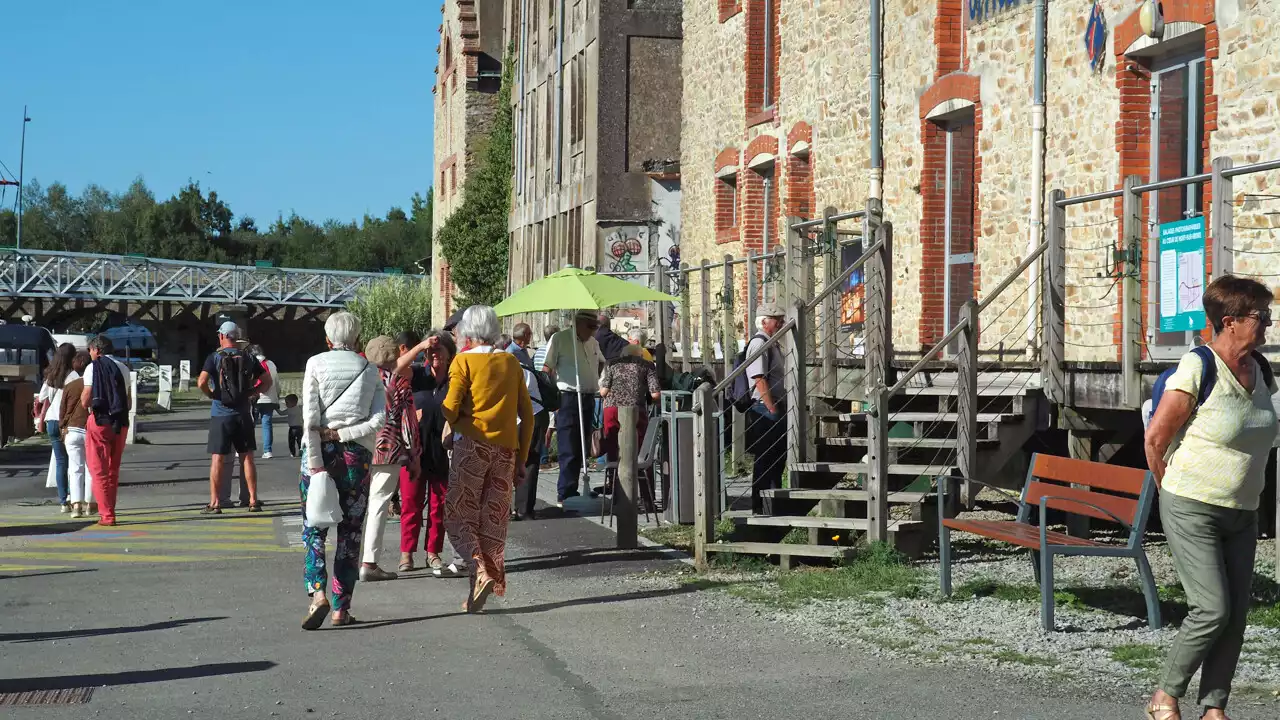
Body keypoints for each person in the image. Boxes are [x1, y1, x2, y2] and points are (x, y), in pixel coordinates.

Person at [1143, 275, 1279, 720]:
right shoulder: (1198, 367)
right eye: (1261, 316)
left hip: (1243, 511)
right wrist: (1174, 493)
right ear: (1230, 321)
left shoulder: (1262, 370)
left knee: (1236, 613)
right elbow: (1155, 440)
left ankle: (1214, 708)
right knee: (1212, 607)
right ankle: (1165, 696)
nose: (1269, 324)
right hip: (1192, 506)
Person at [441, 305, 533, 612]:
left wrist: (447, 418)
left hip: (472, 446)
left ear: (467, 330)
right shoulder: (511, 362)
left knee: (457, 517)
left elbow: (451, 406)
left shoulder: (463, 361)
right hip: (505, 450)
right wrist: (521, 458)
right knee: (491, 521)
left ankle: (480, 571)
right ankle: (475, 595)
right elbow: (528, 416)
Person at [300, 311, 386, 630]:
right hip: (356, 458)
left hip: (318, 452)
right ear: (358, 339)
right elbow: (379, 420)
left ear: (327, 339)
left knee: (314, 528)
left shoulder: (315, 364)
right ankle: (341, 608)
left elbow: (310, 419)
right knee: (350, 532)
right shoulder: (370, 369)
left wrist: (316, 463)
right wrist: (346, 434)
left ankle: (317, 593)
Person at [358, 335, 420, 582]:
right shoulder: (398, 382)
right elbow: (409, 422)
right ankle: (369, 562)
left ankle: (352, 559)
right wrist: (414, 455)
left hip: (360, 446)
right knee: (379, 503)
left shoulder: (362, 380)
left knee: (359, 504)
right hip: (389, 449)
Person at [398, 331, 459, 574]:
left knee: (439, 504)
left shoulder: (455, 378)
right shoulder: (418, 374)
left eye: (439, 350)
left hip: (442, 450)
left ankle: (432, 552)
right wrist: (423, 344)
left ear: (449, 354)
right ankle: (406, 553)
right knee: (411, 502)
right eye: (430, 351)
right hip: (414, 448)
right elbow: (397, 366)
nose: (434, 354)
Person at [197, 322, 266, 514]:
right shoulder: (249, 356)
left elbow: (201, 381)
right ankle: (252, 500)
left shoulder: (214, 357)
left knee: (218, 459)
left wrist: (212, 394)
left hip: (220, 414)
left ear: (221, 336)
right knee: (247, 457)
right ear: (236, 337)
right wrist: (252, 391)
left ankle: (215, 502)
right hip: (243, 414)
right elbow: (266, 380)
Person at [542, 311, 606, 506]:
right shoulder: (559, 339)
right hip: (568, 396)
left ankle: (575, 488)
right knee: (568, 446)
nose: (594, 331)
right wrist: (554, 397)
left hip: (587, 395)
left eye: (596, 327)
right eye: (591, 326)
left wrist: (594, 379)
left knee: (581, 446)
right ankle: (565, 492)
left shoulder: (593, 342)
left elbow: (602, 362)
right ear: (579, 324)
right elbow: (547, 369)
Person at [79, 335, 131, 527]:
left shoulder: (93, 367)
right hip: (121, 422)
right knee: (113, 469)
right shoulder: (124, 368)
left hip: (100, 421)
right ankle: (110, 509)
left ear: (96, 350)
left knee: (98, 469)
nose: (90, 354)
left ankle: (107, 515)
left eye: (90, 350)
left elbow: (86, 399)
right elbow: (129, 400)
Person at [599, 344, 660, 498]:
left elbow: (604, 391)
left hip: (612, 410)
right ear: (640, 355)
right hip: (635, 411)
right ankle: (647, 496)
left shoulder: (612, 364)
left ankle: (616, 493)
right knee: (641, 452)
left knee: (614, 450)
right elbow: (655, 395)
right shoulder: (646, 365)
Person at [745, 303, 787, 514]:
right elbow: (758, 378)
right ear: (764, 322)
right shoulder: (759, 343)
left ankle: (772, 504)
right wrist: (771, 407)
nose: (780, 323)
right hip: (765, 408)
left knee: (777, 457)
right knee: (766, 457)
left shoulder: (772, 343)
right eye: (776, 319)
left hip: (773, 406)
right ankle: (760, 507)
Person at [508, 332, 546, 520]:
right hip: (531, 415)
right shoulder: (523, 368)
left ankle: (519, 509)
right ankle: (523, 508)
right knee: (528, 461)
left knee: (524, 460)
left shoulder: (514, 370)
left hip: (528, 417)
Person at [36, 343, 77, 512]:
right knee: (74, 462)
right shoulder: (74, 376)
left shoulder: (51, 376)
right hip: (68, 421)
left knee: (61, 461)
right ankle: (72, 496)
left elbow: (42, 397)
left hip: (52, 420)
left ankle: (62, 502)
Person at [59, 351, 92, 518]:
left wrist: (62, 430)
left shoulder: (69, 386)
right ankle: (89, 504)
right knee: (90, 468)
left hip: (72, 430)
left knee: (75, 468)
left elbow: (62, 411)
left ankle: (76, 505)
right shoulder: (94, 385)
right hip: (90, 430)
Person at [250, 345, 281, 459]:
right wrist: (276, 396)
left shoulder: (251, 363)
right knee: (267, 424)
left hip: (256, 397)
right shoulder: (271, 364)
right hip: (269, 398)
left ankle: (246, 448)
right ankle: (268, 450)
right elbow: (276, 382)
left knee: (250, 424)